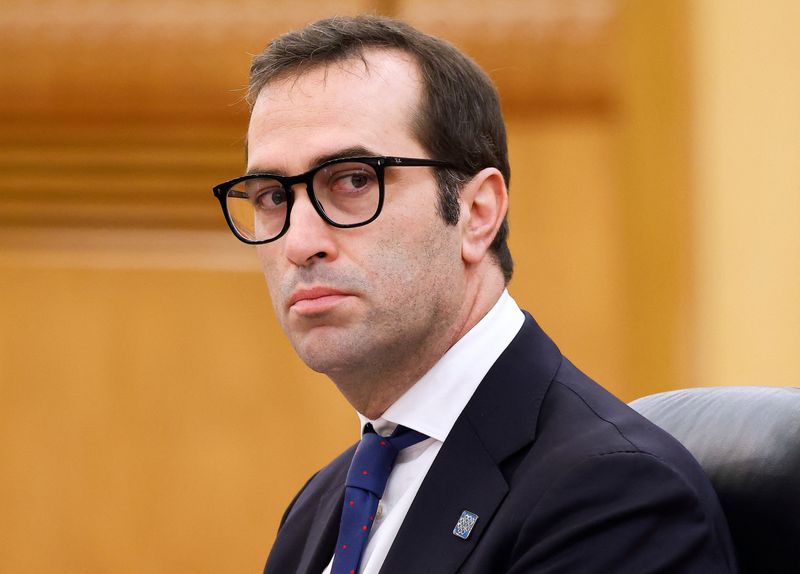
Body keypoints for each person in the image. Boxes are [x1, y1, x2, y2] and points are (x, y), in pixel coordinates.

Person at [212, 15, 738, 574]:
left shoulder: (616, 497)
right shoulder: (319, 507)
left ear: (476, 213)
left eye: (353, 180)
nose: (299, 242)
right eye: (271, 196)